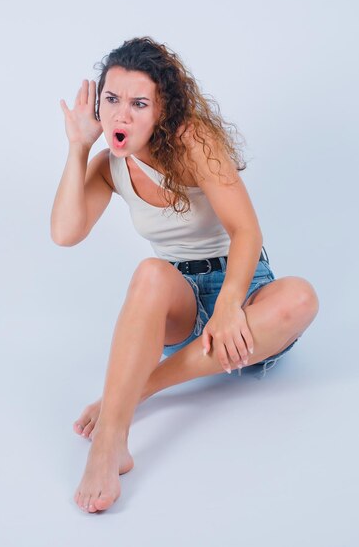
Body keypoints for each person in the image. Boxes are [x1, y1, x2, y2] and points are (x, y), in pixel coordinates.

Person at [50, 36, 319, 514]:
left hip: (244, 286)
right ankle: (110, 441)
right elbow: (65, 233)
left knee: (300, 298)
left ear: (162, 110)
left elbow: (245, 230)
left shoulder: (191, 140)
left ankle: (137, 390)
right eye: (111, 101)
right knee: (150, 272)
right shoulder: (111, 165)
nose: (121, 116)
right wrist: (77, 149)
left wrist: (231, 304)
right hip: (180, 302)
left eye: (138, 103)